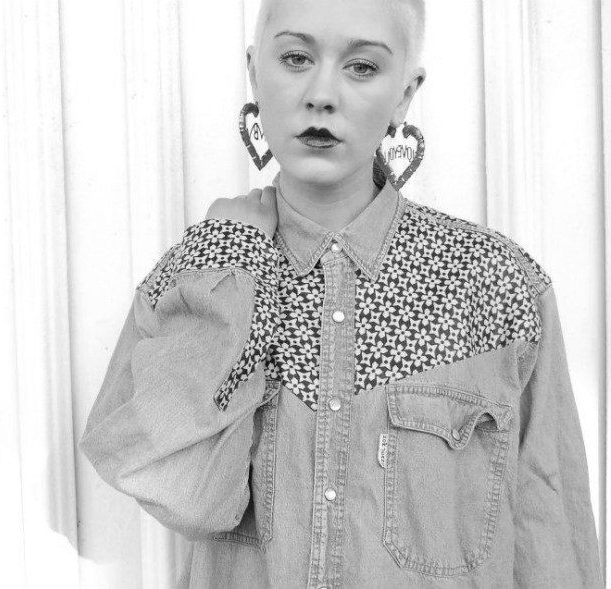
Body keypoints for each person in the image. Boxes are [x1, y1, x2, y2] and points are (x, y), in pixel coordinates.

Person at [78, 0, 605, 586]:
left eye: (362, 67)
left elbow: (550, 533)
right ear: (254, 73)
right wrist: (231, 265)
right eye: (296, 58)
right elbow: (178, 489)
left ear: (404, 94)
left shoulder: (498, 283)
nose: (322, 95)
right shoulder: (194, 276)